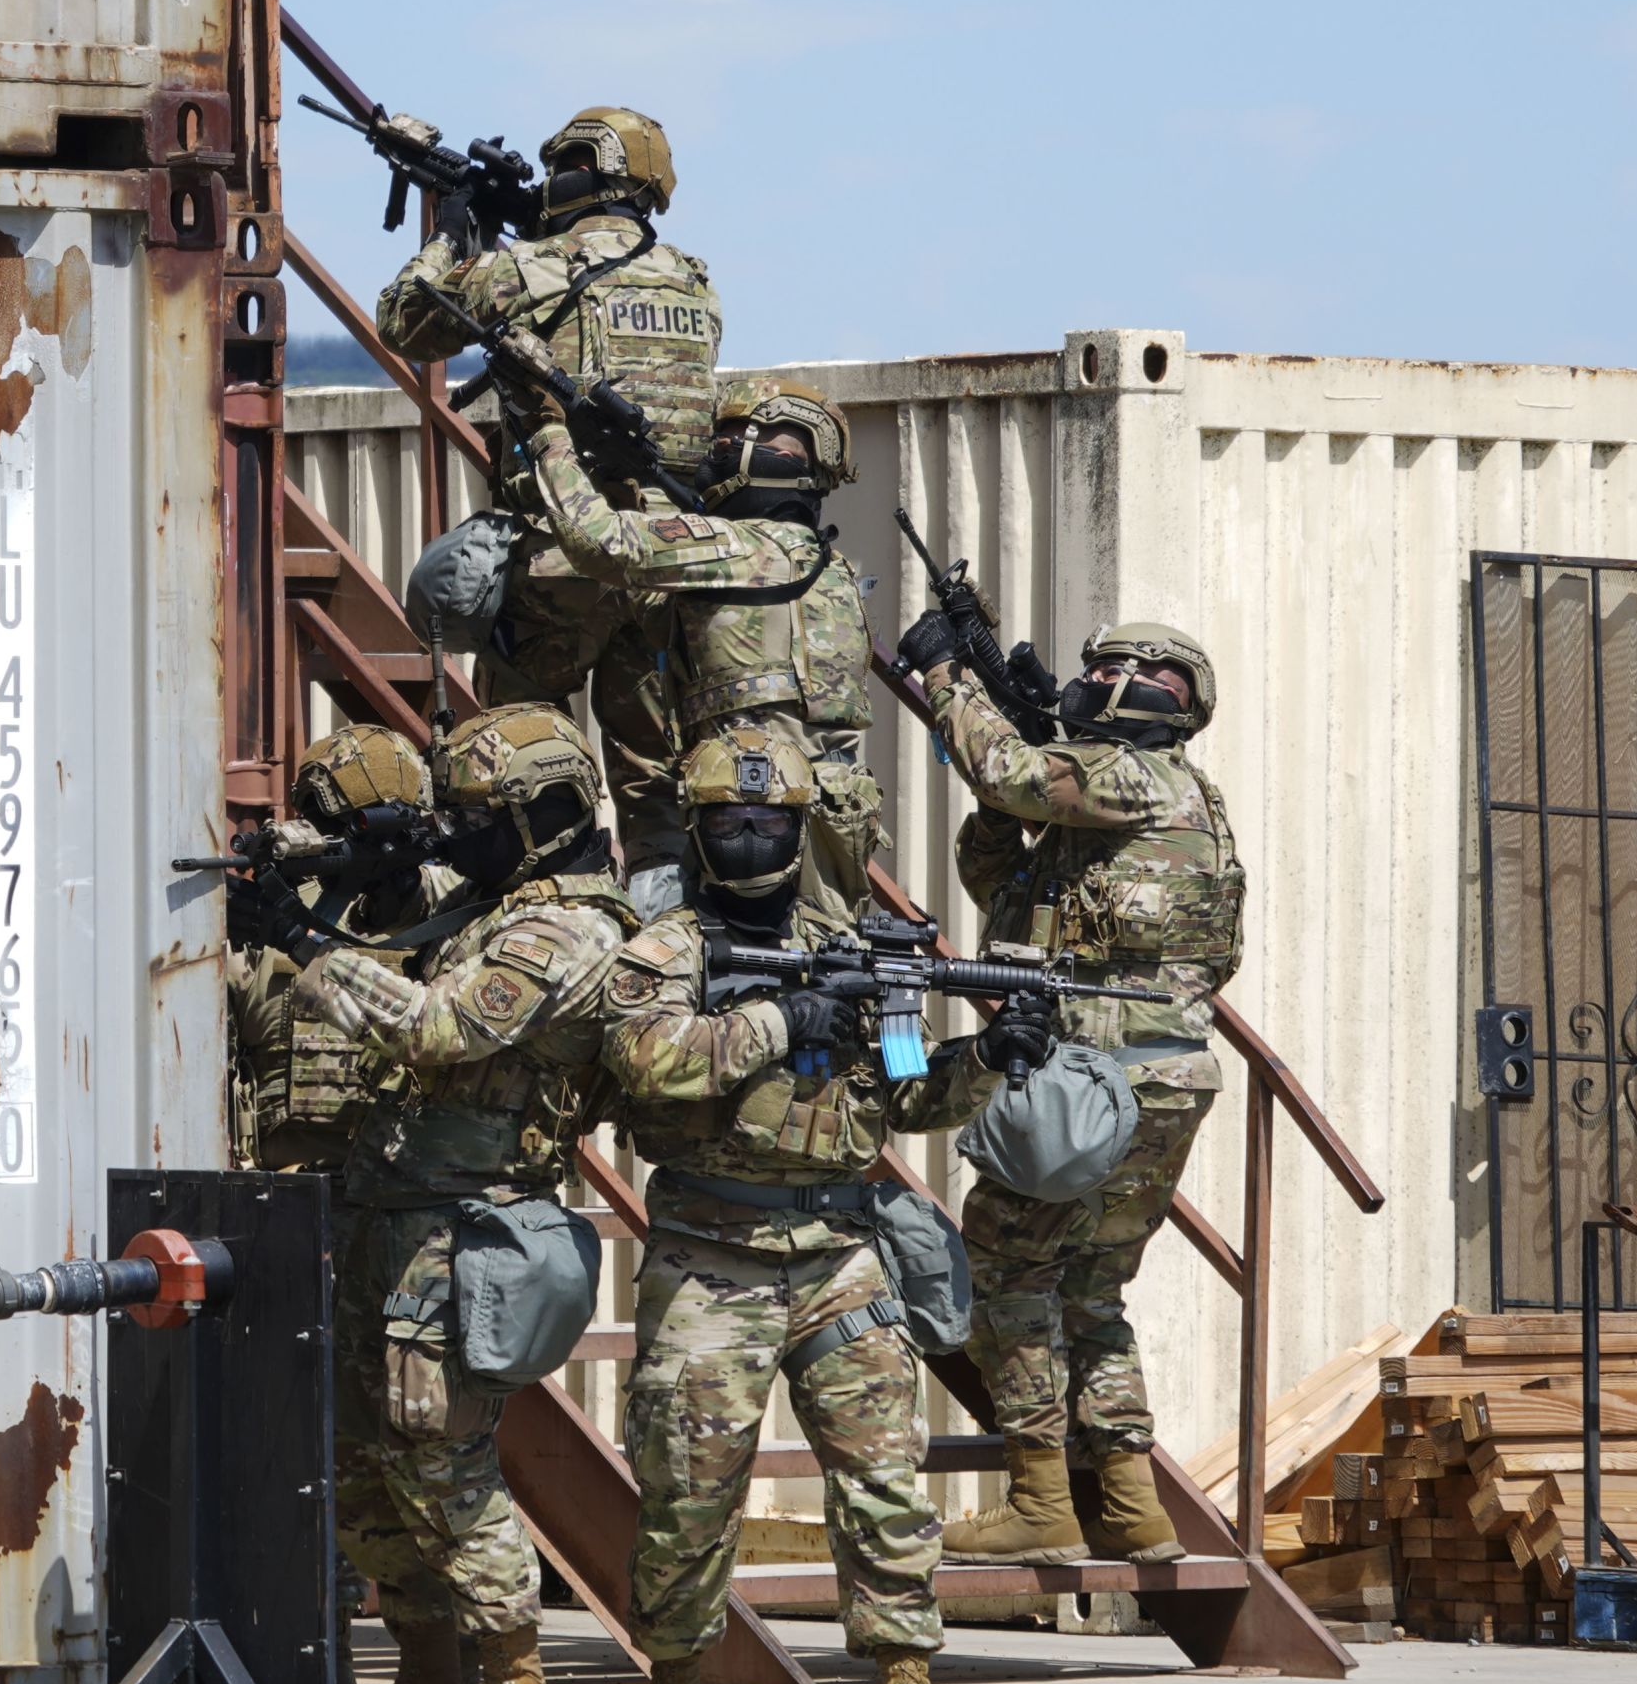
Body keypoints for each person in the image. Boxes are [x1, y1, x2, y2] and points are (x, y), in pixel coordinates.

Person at [593, 735, 1034, 1684]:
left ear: (800, 831)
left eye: (772, 822)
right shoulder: (665, 953)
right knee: (688, 1485)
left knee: (884, 1479)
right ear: (697, 833)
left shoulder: (847, 945)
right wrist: (779, 1016)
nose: (752, 837)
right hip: (713, 1251)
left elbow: (907, 1093)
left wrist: (987, 1056)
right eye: (730, 822)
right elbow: (646, 1061)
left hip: (839, 1250)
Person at [276, 705, 637, 1684]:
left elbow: (442, 1027)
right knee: (363, 1456)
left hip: (463, 1221)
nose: (455, 834)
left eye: (477, 816)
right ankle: (428, 1668)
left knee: (439, 1452)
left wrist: (303, 946)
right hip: (390, 1209)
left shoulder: (564, 930)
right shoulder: (491, 905)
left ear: (544, 817)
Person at [903, 620, 1246, 1569]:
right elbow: (1006, 874)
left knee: (1008, 1272)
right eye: (1101, 668)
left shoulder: (1134, 775)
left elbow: (1014, 777)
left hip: (1095, 1080)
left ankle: (1041, 1499)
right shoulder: (1177, 796)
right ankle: (1133, 1506)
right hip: (1163, 1079)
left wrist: (944, 679)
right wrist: (1019, 729)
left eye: (1128, 672)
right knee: (1094, 1290)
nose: (1109, 682)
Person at [372, 111, 722, 864]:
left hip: (560, 560)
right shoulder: (695, 285)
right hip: (665, 564)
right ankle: (659, 936)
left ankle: (553, 917)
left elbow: (403, 322)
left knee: (524, 766)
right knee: (652, 780)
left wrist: (452, 229)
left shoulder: (529, 271)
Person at [226, 722, 466, 1684]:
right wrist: (260, 912)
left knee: (402, 1463)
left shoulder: (450, 924)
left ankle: (437, 1671)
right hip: (289, 1219)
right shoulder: (283, 929)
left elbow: (443, 1030)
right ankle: (315, 1678)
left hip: (402, 1226)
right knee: (301, 1458)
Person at [511, 380, 881, 916]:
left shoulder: (739, 545)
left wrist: (549, 434)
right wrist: (630, 491)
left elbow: (601, 543)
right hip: (827, 822)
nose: (722, 449)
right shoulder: (832, 569)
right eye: (721, 435)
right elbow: (686, 625)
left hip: (751, 824)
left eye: (740, 436)